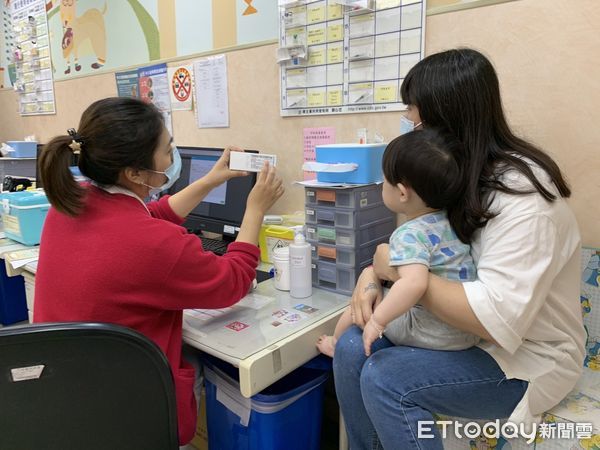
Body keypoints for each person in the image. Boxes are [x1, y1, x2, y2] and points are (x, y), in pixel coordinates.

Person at [334, 48, 585, 449]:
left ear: (445, 119)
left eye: (414, 116)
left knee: (387, 377)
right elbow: (424, 251)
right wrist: (371, 276)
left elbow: (493, 319)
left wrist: (394, 273)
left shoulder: (525, 200)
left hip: (524, 357)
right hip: (461, 336)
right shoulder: (457, 174)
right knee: (350, 346)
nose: (411, 126)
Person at [33, 97, 284, 445]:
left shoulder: (69, 203)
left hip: (65, 395)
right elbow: (235, 280)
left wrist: (211, 180)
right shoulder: (153, 245)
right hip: (128, 408)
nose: (173, 155)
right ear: (134, 173)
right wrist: (254, 209)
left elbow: (149, 218)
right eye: (168, 149)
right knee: (203, 360)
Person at [317, 129, 479, 358]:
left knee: (357, 309)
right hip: (466, 329)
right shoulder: (450, 221)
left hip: (430, 331)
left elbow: (415, 283)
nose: (382, 185)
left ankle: (334, 343)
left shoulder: (408, 234)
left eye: (384, 180)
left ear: (402, 193)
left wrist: (377, 321)